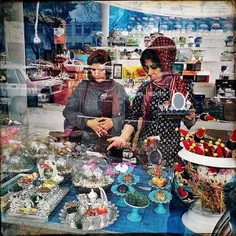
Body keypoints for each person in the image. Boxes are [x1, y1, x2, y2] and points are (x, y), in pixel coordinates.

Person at [107, 36, 196, 166]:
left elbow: (190, 122)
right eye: (147, 67)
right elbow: (133, 116)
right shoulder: (145, 88)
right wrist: (123, 137)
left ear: (166, 62)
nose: (150, 72)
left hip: (170, 148)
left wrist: (190, 117)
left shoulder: (182, 87)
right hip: (145, 147)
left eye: (154, 67)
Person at [63, 49, 130, 146]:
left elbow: (129, 115)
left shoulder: (118, 89)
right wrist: (88, 122)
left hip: (113, 143)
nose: (97, 74)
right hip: (84, 143)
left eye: (101, 70)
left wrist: (114, 122)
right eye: (93, 69)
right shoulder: (83, 87)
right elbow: (68, 111)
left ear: (107, 69)